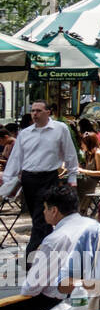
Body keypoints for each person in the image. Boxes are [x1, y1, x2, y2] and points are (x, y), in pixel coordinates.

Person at [0, 184, 100, 310]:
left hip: (59, 298)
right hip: (89, 288)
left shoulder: (55, 239)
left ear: (54, 210)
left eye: (45, 208)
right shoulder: (94, 225)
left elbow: (32, 287)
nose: (44, 212)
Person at [0, 100, 80, 257]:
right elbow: (16, 159)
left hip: (49, 177)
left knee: (41, 217)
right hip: (29, 179)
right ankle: (48, 252)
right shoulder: (25, 133)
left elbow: (70, 154)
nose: (34, 114)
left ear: (48, 112)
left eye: (38, 110)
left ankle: (32, 255)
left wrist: (73, 178)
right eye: (33, 111)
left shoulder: (60, 129)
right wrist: (8, 182)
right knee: (40, 218)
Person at [76, 131, 100, 214]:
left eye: (83, 143)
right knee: (73, 183)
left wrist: (83, 170)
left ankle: (80, 210)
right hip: (90, 181)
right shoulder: (89, 154)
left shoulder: (98, 153)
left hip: (99, 183)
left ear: (89, 143)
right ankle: (81, 209)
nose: (82, 145)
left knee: (73, 185)